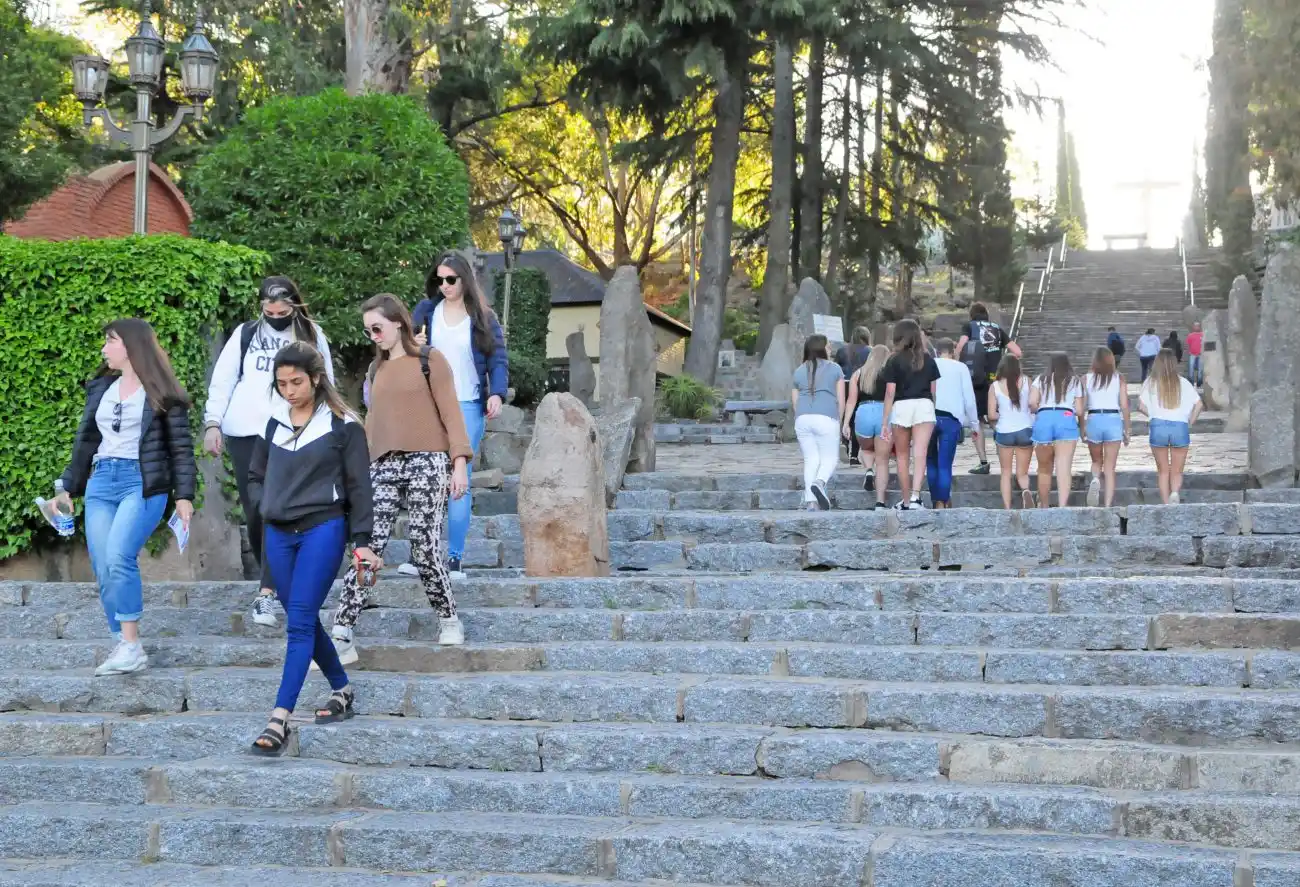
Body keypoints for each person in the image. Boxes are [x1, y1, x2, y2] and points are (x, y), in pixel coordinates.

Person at [246, 343, 376, 756]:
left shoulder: (343, 425)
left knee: (299, 622)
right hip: (278, 534)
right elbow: (254, 476)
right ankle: (342, 689)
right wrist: (266, 503)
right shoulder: (273, 423)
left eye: (296, 382)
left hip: (324, 528)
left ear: (316, 378)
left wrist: (363, 542)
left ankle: (279, 718)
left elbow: (359, 486)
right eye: (282, 383)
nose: (289, 391)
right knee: (302, 617)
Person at [328, 294, 473, 663]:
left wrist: (458, 463)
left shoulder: (429, 359)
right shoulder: (375, 370)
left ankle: (448, 618)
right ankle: (342, 632)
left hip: (428, 460)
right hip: (383, 464)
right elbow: (375, 421)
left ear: (398, 322)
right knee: (366, 547)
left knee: (424, 547)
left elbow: (451, 412)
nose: (373, 336)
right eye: (368, 331)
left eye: (377, 328)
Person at [52, 319, 196, 677]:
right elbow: (85, 441)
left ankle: (130, 645)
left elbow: (181, 450)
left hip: (142, 483)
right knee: (103, 566)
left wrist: (184, 496)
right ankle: (125, 644)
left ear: (131, 346)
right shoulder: (101, 388)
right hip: (101, 482)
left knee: (119, 555)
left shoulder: (163, 393)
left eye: (110, 341)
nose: (104, 348)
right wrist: (66, 487)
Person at [203, 276, 334, 629]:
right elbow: (223, 380)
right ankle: (274, 578)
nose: (275, 317)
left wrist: (328, 429)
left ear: (294, 306)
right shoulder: (245, 334)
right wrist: (213, 423)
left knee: (280, 507)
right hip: (246, 431)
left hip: (291, 432)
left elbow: (327, 384)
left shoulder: (311, 336)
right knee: (256, 509)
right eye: (268, 311)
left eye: (281, 312)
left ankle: (268, 591)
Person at [410, 253, 508, 580]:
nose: (445, 285)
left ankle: (454, 558)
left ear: (465, 279)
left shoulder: (483, 317)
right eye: (439, 279)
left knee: (458, 477)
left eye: (450, 279)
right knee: (428, 479)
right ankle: (421, 554)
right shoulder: (426, 312)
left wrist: (497, 393)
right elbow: (401, 351)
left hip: (467, 403)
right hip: (429, 404)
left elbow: (498, 359)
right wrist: (413, 343)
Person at [955, 302, 1022, 476]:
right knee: (995, 418)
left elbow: (961, 345)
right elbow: (1017, 352)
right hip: (995, 380)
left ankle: (983, 462)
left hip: (976, 379)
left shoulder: (969, 326)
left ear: (972, 314)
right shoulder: (997, 328)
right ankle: (1005, 458)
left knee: (977, 420)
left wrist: (957, 363)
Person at [881, 319, 941, 510]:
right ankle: (916, 498)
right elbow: (933, 391)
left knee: (902, 456)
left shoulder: (893, 360)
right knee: (920, 454)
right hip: (924, 405)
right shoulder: (928, 359)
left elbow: (890, 392)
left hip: (901, 406)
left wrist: (885, 421)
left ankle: (906, 500)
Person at [1137, 348, 1203, 505]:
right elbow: (1199, 404)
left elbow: (1140, 406)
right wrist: (1190, 421)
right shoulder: (1183, 382)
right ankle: (1174, 493)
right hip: (1179, 426)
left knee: (1163, 471)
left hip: (1158, 426)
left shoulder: (1150, 382)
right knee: (1177, 470)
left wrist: (1153, 414)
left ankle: (1166, 503)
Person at [792, 334, 845, 510]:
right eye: (828, 345)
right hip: (826, 417)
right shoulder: (835, 368)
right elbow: (841, 399)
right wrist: (840, 421)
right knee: (830, 458)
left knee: (811, 459)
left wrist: (802, 416)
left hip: (802, 418)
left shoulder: (799, 370)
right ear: (822, 348)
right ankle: (820, 482)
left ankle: (811, 502)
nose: (830, 348)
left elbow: (795, 401)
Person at [928, 339, 980, 509]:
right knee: (945, 463)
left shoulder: (929, 364)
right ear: (953, 351)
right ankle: (943, 500)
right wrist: (974, 424)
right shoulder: (961, 368)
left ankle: (935, 500)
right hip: (951, 419)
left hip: (928, 416)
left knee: (931, 461)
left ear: (937, 351)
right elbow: (969, 399)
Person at [1030, 352, 1084, 508]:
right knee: (1064, 468)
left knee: (1044, 469)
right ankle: (1062, 506)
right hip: (1065, 419)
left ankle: (1044, 506)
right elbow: (1080, 410)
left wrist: (1040, 409)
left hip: (1044, 420)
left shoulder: (1040, 379)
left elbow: (1032, 403)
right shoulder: (1075, 381)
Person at [842, 344, 891, 506]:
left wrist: (846, 423)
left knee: (867, 449)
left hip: (863, 413)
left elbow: (851, 401)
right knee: (882, 461)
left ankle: (869, 470)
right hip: (884, 413)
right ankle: (880, 502)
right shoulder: (890, 373)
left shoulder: (858, 374)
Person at [1083, 347, 1130, 508]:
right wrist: (1127, 429)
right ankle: (1108, 504)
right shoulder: (1119, 378)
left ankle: (1096, 478)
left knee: (1096, 461)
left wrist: (1082, 427)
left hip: (1094, 418)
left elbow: (1082, 406)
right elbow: (1124, 405)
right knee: (1110, 467)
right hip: (1113, 419)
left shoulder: (1086, 379)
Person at [986, 354, 1035, 510]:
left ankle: (1007, 508)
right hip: (1025, 430)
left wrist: (1003, 414)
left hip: (1005, 432)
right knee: (1023, 473)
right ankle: (1025, 490)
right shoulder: (1027, 381)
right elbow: (1033, 405)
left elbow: (991, 415)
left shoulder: (995, 386)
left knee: (1006, 473)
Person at [834, 328, 872, 466]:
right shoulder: (870, 351)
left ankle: (844, 442)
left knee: (846, 415)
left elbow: (836, 368)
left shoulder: (842, 350)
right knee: (857, 418)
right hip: (860, 384)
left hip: (844, 383)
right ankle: (854, 456)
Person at [1186, 321, 1204, 387]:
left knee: (1200, 369)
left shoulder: (1203, 335)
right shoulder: (1190, 335)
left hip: (1201, 354)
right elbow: (1188, 344)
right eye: (1195, 326)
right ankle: (1191, 382)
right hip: (1192, 354)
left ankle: (1199, 382)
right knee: (1191, 368)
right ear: (1193, 327)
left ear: (1200, 327)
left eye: (1198, 326)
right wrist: (1189, 352)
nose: (1196, 327)